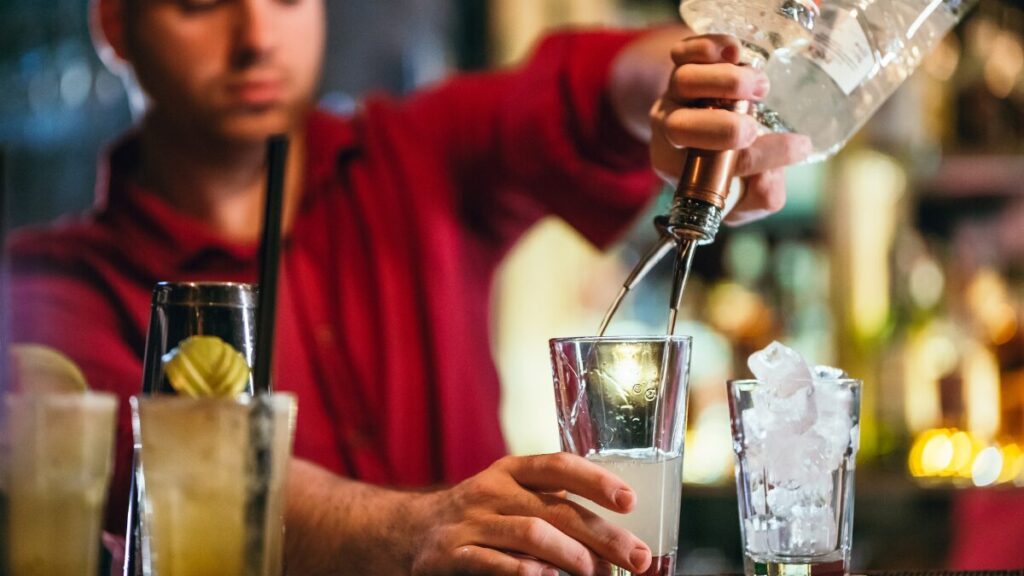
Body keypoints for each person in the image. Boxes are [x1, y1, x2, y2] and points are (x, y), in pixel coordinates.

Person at [7, 0, 809, 573]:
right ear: (114, 22)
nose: (255, 36)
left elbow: (587, 87)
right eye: (202, 4)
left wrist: (689, 91)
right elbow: (182, 484)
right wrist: (419, 529)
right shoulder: (49, 287)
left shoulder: (418, 151)